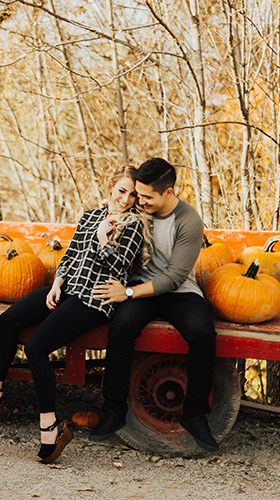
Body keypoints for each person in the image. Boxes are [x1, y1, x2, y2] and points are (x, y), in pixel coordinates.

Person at [0, 165, 152, 464]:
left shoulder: (134, 226)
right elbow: (71, 255)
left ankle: (51, 426)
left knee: (37, 348)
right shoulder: (91, 215)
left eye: (132, 195)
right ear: (110, 187)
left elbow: (118, 269)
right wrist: (57, 283)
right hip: (67, 289)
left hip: (94, 298)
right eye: (121, 191)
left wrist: (104, 238)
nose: (126, 199)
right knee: (8, 321)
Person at [90, 157, 219, 452]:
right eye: (138, 194)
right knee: (120, 328)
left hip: (177, 292)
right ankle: (113, 411)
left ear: (169, 193)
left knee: (203, 334)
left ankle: (194, 414)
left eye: (147, 197)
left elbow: (174, 277)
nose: (140, 201)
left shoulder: (188, 220)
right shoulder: (136, 209)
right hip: (137, 286)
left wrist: (129, 294)